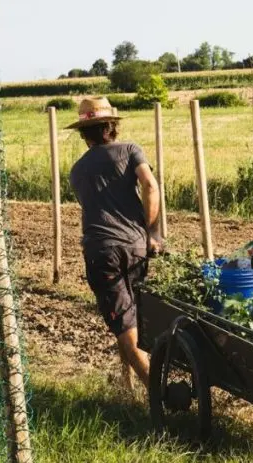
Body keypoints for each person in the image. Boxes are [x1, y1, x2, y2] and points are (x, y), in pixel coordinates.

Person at [66, 96, 163, 392]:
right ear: (111, 126)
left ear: (85, 135)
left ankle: (159, 399)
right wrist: (151, 232)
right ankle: (128, 383)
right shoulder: (131, 150)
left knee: (123, 324)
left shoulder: (77, 171)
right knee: (131, 318)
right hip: (136, 248)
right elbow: (150, 185)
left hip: (101, 252)